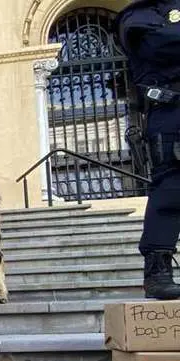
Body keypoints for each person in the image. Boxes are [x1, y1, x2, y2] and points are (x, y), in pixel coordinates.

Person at [115, 1, 180, 299]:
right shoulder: (136, 15)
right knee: (171, 188)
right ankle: (157, 270)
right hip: (170, 111)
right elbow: (160, 44)